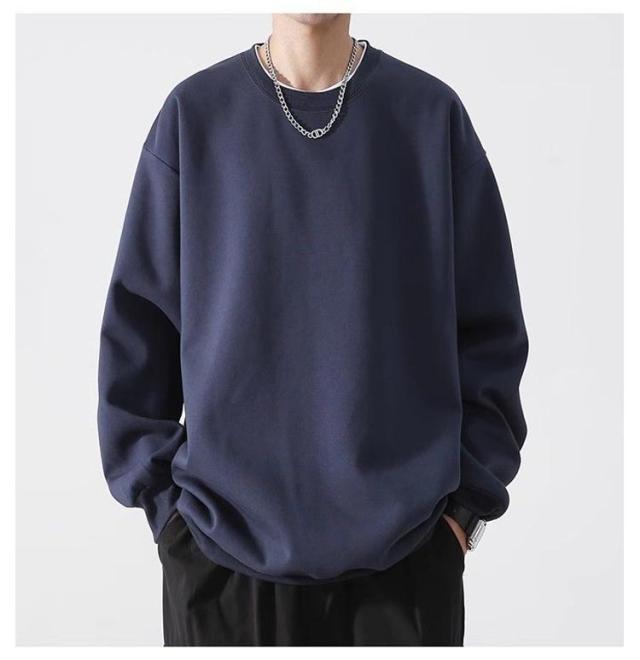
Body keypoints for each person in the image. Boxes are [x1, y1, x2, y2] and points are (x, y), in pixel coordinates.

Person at [97, 12, 528, 646]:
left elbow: (491, 332)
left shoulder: (429, 116)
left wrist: (462, 516)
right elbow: (138, 336)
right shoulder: (194, 116)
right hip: (220, 561)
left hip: (406, 561)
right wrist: (170, 519)